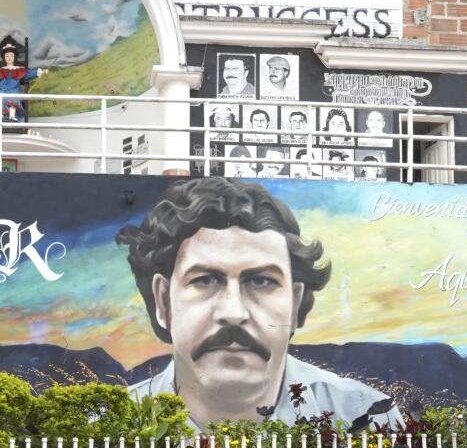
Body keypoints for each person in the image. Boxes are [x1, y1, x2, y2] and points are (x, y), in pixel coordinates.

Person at [117, 177, 400, 431]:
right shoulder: (109, 425)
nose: (233, 313)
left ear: (295, 302)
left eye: (262, 281)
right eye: (205, 280)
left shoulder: (368, 416)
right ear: (163, 302)